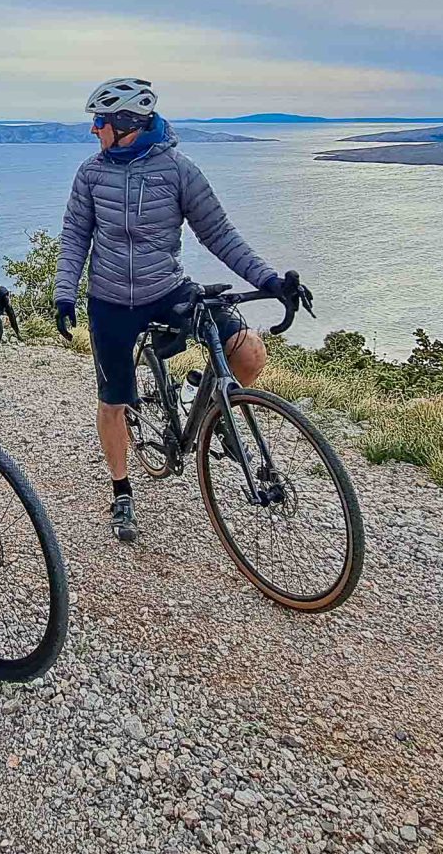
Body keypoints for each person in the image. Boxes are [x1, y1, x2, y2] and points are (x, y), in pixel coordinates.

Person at [53, 77, 309, 542]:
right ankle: (122, 490)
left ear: (125, 125)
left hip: (167, 289)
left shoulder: (178, 169)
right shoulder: (90, 174)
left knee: (248, 351)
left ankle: (206, 403)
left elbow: (220, 234)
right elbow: (75, 237)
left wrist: (270, 281)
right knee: (114, 401)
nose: (93, 130)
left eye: (99, 122)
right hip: (110, 299)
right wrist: (64, 292)